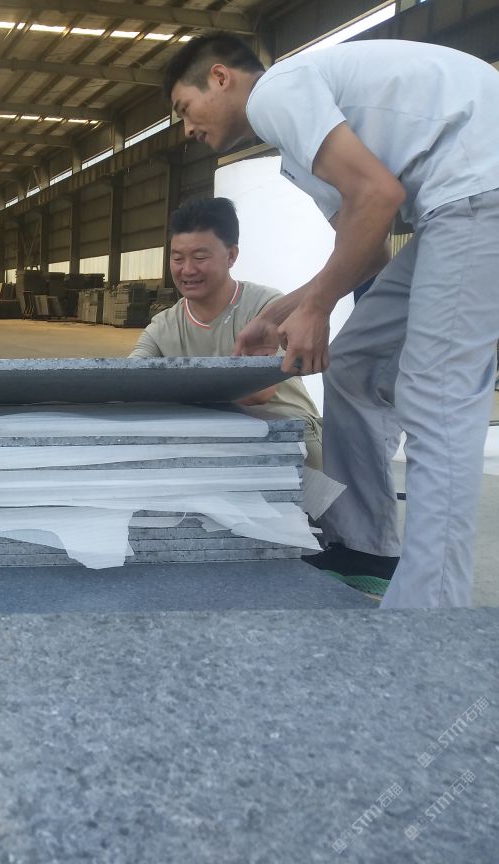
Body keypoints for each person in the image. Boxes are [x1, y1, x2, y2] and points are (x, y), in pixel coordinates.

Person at [164, 33, 499, 608]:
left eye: (184, 109)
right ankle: (365, 545)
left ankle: (431, 613)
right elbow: (367, 254)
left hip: (479, 193)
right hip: (454, 206)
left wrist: (317, 308)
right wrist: (279, 313)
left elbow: (378, 195)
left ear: (220, 77)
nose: (187, 130)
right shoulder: (300, 147)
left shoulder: (276, 92)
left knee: (435, 395)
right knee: (354, 367)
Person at [130, 197, 322, 470]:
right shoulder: (163, 326)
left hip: (287, 435)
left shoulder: (267, 308)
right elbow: (131, 381)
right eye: (177, 258)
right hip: (209, 436)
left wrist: (173, 393)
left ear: (231, 256)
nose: (187, 269)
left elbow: (258, 391)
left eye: (200, 257)